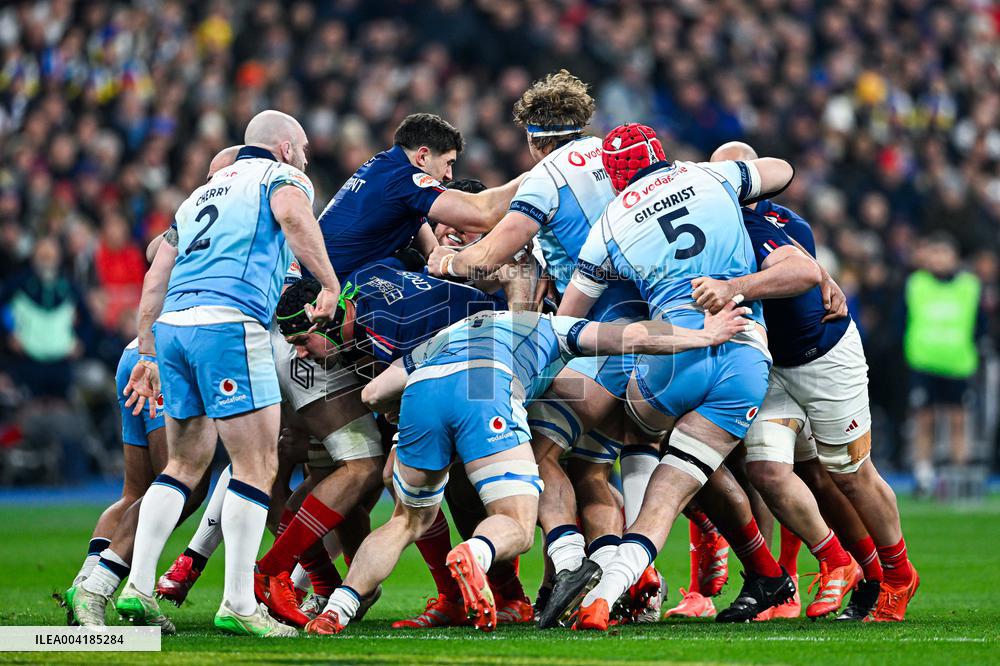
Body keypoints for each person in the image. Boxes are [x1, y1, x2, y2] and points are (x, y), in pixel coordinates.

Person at [304, 302, 754, 635]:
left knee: (406, 520)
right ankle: (475, 554)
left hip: (423, 388)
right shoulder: (549, 327)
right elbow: (631, 337)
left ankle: (337, 609)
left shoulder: (448, 332)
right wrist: (703, 335)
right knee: (516, 526)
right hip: (487, 384)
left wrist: (403, 421)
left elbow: (373, 395)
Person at [426, 70, 651, 627]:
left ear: (532, 137)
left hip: (600, 339)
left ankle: (570, 564)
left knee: (542, 452)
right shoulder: (615, 153)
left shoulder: (544, 179)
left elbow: (487, 254)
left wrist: (445, 262)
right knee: (594, 469)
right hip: (658, 330)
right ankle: (619, 586)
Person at [560, 123, 797, 629]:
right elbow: (783, 171)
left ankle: (608, 576)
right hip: (745, 354)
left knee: (613, 442)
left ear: (614, 175)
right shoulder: (708, 176)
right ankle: (762, 574)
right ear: (662, 154)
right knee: (679, 483)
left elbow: (570, 318)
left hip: (671, 363)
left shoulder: (610, 222)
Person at [676, 141, 920, 623]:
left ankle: (896, 576)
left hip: (824, 357)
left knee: (849, 476)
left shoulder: (755, 222)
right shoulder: (763, 219)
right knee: (767, 473)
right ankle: (833, 567)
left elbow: (803, 270)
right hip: (769, 365)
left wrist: (734, 287)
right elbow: (811, 268)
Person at [119, 110, 340, 637]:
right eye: (303, 146)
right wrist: (328, 283)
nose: (306, 157)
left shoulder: (198, 196)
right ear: (285, 147)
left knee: (184, 463)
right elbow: (292, 214)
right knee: (257, 463)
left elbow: (156, 275)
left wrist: (147, 352)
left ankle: (138, 589)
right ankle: (239, 603)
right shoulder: (284, 178)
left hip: (174, 328)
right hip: (230, 325)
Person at [65, 146, 243, 627]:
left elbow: (152, 253)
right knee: (183, 479)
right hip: (170, 356)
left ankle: (86, 584)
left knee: (137, 490)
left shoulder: (194, 214)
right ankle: (105, 585)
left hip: (141, 351)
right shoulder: (241, 214)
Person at [316, 113, 522, 279]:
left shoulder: (384, 168)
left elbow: (433, 254)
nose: (449, 175)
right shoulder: (404, 180)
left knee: (416, 263)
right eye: (448, 163)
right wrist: (538, 176)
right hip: (328, 294)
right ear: (422, 156)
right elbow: (482, 214)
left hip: (316, 282)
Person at [905, 232, 983, 494]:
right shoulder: (916, 284)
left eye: (944, 253)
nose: (938, 259)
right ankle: (924, 475)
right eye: (934, 253)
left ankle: (958, 477)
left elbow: (980, 323)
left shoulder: (969, 286)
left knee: (958, 420)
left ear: (954, 257)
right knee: (924, 419)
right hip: (923, 362)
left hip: (958, 363)